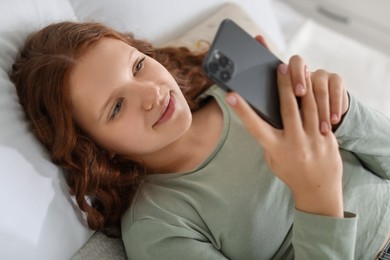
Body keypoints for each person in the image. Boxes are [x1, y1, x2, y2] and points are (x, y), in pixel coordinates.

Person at [10, 21, 389, 259]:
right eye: (116, 107)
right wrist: (317, 201)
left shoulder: (238, 92)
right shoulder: (157, 226)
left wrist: (345, 112)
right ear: (95, 147)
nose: (152, 95)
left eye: (138, 66)